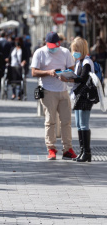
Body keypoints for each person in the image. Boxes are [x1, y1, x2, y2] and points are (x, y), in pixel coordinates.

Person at [31, 32, 77, 160]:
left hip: (63, 90)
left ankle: (68, 149)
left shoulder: (65, 52)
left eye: (54, 46)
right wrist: (48, 72)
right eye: (50, 46)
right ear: (46, 43)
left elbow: (72, 70)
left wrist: (66, 76)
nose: (52, 48)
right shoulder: (40, 52)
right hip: (47, 91)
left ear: (59, 43)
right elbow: (34, 72)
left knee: (66, 121)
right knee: (50, 121)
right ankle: (51, 148)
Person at [64, 37, 95, 162]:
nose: (74, 52)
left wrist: (69, 78)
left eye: (76, 49)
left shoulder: (87, 62)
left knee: (83, 124)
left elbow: (83, 78)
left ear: (82, 49)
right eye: (73, 49)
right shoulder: (79, 62)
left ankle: (87, 152)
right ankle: (82, 151)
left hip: (85, 96)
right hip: (78, 95)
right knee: (78, 124)